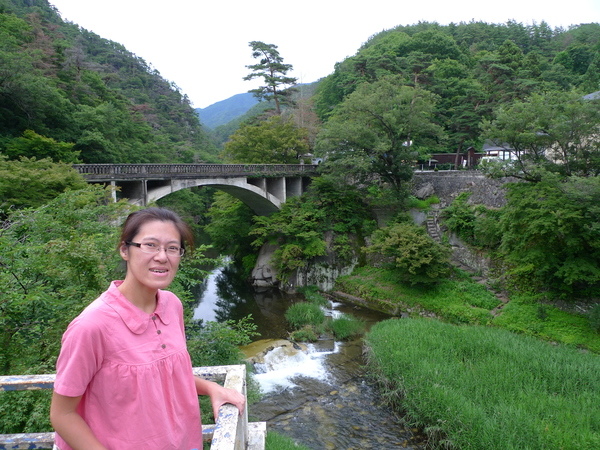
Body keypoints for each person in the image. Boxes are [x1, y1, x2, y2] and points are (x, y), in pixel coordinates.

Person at [50, 207, 245, 450]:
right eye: (150, 245)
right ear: (125, 250)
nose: (162, 257)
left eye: (172, 248)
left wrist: (211, 388)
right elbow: (62, 415)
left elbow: (165, 376)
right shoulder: (92, 326)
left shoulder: (172, 305)